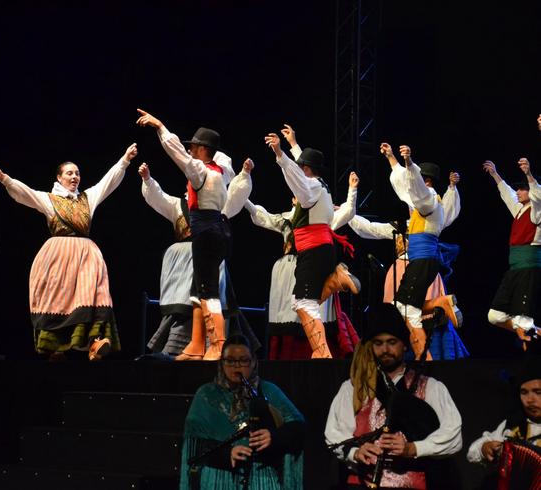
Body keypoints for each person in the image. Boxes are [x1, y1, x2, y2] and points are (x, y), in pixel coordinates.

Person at [0, 143, 138, 360]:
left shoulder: (88, 198)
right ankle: (55, 347)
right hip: (58, 254)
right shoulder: (49, 199)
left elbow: (107, 182)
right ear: (59, 178)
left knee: (95, 293)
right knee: (58, 298)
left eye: (77, 173)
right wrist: (5, 178)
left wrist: (125, 160)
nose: (74, 176)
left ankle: (95, 342)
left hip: (86, 253)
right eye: (69, 173)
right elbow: (25, 193)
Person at [137, 109, 252, 361]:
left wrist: (160, 126)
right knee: (200, 289)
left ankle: (217, 344)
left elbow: (176, 151)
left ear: (201, 150)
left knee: (208, 291)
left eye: (195, 147)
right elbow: (222, 157)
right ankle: (197, 345)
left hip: (206, 233)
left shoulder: (200, 172)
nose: (190, 151)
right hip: (220, 231)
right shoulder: (222, 171)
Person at [246, 124, 360, 359]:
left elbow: (298, 176)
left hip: (314, 250)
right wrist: (293, 144)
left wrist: (280, 154)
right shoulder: (320, 186)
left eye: (302, 169)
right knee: (304, 301)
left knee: (303, 304)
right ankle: (336, 278)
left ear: (306, 170)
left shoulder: (311, 187)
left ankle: (322, 353)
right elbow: (303, 170)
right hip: (320, 249)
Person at [324, 303, 462, 489]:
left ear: (404, 345)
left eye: (392, 342)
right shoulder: (354, 388)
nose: (385, 350)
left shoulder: (429, 387)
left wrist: (413, 448)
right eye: (378, 343)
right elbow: (334, 433)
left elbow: (453, 436)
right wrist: (355, 452)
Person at [179, 335, 306, 490]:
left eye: (243, 360)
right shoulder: (207, 394)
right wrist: (227, 453)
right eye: (230, 360)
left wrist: (274, 437)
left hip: (261, 477)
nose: (236, 366)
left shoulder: (267, 391)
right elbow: (195, 445)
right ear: (222, 362)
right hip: (219, 477)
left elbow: (298, 428)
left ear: (253, 362)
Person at [379, 143, 462, 360]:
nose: (410, 184)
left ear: (427, 182)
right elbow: (404, 185)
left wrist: (408, 162)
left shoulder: (429, 201)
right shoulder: (424, 203)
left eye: (416, 179)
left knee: (405, 306)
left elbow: (414, 188)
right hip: (423, 260)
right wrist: (392, 158)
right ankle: (438, 305)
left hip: (423, 259)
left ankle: (424, 356)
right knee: (406, 305)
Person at [347, 214, 469, 360]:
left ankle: (422, 356)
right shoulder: (430, 220)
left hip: (405, 268)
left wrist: (347, 214)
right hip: (428, 268)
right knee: (409, 310)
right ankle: (439, 305)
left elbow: (369, 229)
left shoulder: (407, 223)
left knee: (401, 310)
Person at [482, 158, 541, 349]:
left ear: (530, 192)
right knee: (495, 315)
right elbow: (506, 193)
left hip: (528, 268)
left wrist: (529, 174)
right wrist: (495, 174)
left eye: (522, 189)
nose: (518, 192)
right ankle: (535, 332)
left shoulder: (537, 210)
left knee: (523, 319)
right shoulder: (519, 210)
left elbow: (538, 195)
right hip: (514, 269)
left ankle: (531, 356)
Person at [467, 361, 540, 469]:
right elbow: (472, 452)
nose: (529, 400)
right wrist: (484, 448)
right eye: (524, 392)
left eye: (538, 392)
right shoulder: (512, 425)